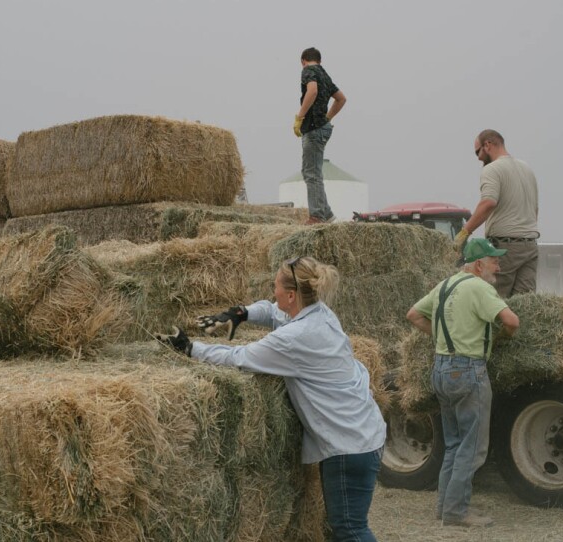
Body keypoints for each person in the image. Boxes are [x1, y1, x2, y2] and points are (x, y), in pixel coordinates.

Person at [157, 256, 386, 541]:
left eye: (275, 286)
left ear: (291, 295)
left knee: (350, 530)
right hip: (362, 432)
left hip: (349, 446)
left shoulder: (295, 337)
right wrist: (240, 313)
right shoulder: (320, 313)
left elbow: (239, 357)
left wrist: (191, 348)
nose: (273, 291)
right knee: (349, 527)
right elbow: (274, 311)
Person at [406, 238, 520, 528]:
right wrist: (502, 336)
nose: (499, 265)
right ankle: (457, 513)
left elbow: (414, 314)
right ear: (479, 265)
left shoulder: (446, 285)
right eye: (494, 260)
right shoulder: (480, 287)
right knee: (473, 447)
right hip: (468, 371)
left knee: (454, 444)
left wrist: (443, 336)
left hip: (442, 369)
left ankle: (445, 507)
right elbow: (512, 320)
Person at [454, 129, 539, 298]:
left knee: (496, 303)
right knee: (523, 306)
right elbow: (535, 210)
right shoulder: (527, 169)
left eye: (477, 152)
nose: (478, 158)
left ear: (488, 145)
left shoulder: (492, 169)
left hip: (505, 248)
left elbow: (488, 203)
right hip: (530, 246)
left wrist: (464, 232)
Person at [294, 47, 347, 225]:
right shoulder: (324, 74)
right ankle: (328, 214)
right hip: (323, 127)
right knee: (310, 171)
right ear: (320, 60)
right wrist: (328, 118)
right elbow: (341, 99)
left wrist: (300, 116)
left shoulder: (308, 71)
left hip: (313, 128)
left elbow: (312, 91)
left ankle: (317, 216)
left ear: (303, 61)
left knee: (312, 174)